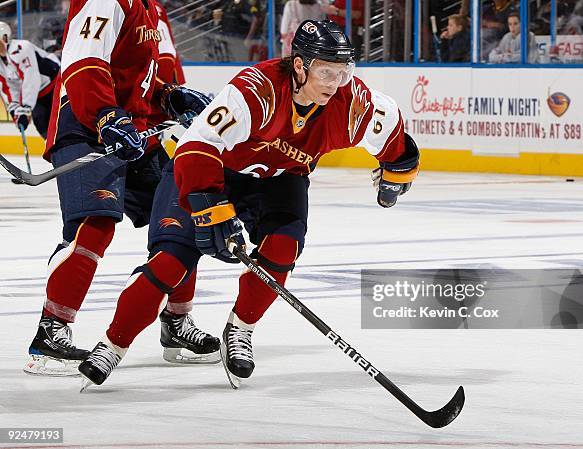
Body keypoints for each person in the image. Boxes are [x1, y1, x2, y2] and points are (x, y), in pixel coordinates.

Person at [77, 19, 420, 388]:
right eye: (325, 71)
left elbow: (397, 142)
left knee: (284, 245)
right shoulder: (257, 90)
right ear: (300, 65)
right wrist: (212, 208)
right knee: (170, 265)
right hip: (209, 172)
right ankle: (112, 345)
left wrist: (396, 176)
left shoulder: (353, 105)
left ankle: (240, 329)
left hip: (279, 181)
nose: (334, 82)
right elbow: (197, 147)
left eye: (342, 71)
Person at [24, 0, 216, 377]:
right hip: (85, 121)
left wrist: (168, 97)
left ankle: (176, 322)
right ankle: (50, 331)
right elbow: (84, 63)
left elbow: (139, 77)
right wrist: (105, 114)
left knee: (183, 210)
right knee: (95, 225)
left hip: (134, 130)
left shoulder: (146, 7)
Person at [0, 21, 59, 139]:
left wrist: (26, 108)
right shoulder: (1, 64)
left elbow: (31, 77)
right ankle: (56, 156)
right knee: (42, 125)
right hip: (38, 95)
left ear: (5, 37)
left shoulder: (20, 48)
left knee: (65, 122)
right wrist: (15, 109)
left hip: (57, 85)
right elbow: (9, 87)